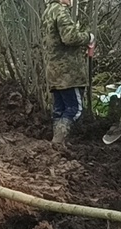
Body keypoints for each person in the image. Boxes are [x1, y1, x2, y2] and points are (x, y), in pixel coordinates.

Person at [41, 0, 93, 146]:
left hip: (53, 71)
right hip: (68, 73)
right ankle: (59, 141)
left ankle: (57, 144)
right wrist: (89, 37)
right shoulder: (61, 12)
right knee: (75, 109)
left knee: (59, 108)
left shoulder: (47, 12)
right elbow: (69, 38)